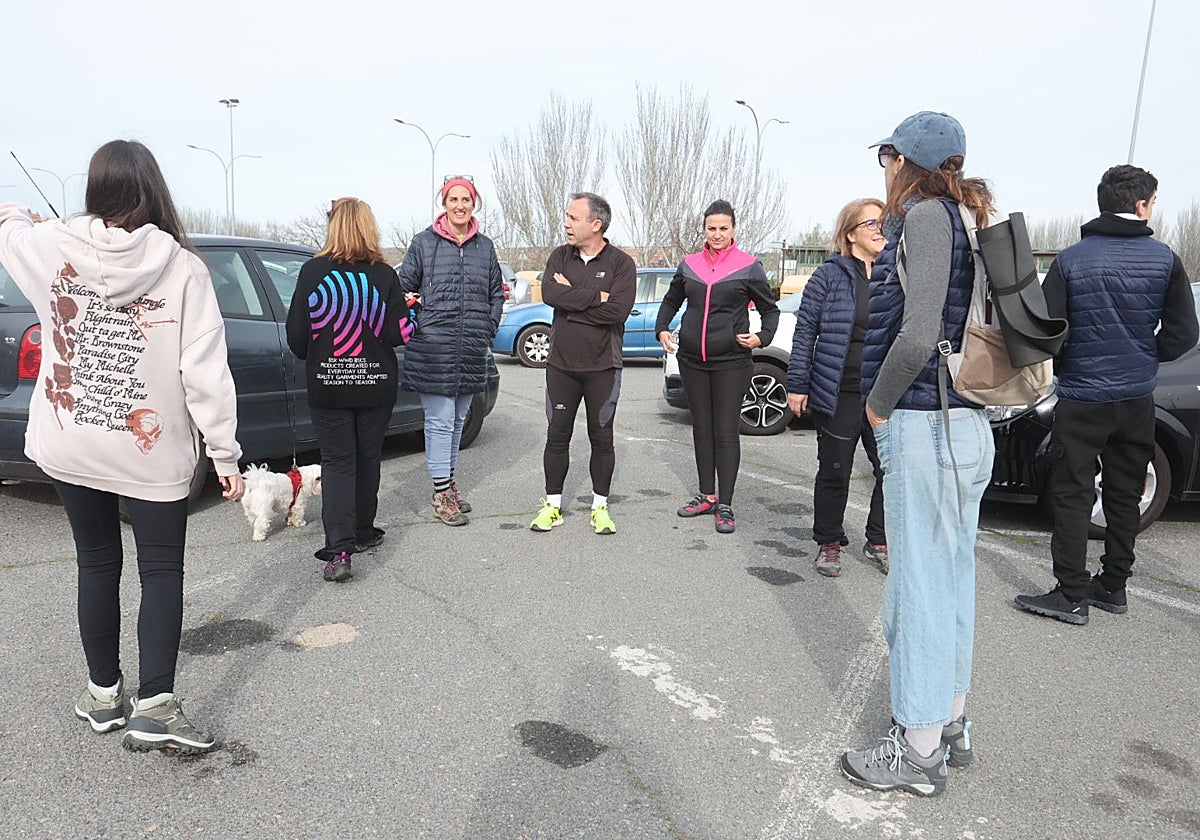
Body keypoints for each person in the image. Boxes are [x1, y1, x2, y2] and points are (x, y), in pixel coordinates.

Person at [0, 139, 244, 754]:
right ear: (153, 190)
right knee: (160, 570)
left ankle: (104, 695)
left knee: (96, 562)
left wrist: (27, 216)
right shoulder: (183, 268)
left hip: (71, 441)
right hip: (150, 451)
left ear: (95, 190)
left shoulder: (51, 247)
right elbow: (205, 373)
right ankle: (154, 705)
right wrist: (224, 454)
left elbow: (7, 225)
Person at [839, 112, 996, 797]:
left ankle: (919, 748)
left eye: (886, 154)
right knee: (951, 580)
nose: (883, 166)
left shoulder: (928, 216)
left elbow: (918, 330)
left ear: (905, 160)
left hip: (927, 422)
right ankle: (951, 723)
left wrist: (876, 404)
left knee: (920, 590)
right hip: (963, 424)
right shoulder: (969, 216)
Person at [1014, 165, 1197, 624]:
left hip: (1081, 395)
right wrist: (1142, 356)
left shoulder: (1071, 260)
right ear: (1141, 206)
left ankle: (1071, 593)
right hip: (1136, 396)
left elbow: (1049, 331)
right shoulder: (1166, 259)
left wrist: (1074, 360)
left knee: (1074, 492)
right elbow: (1183, 333)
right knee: (1124, 492)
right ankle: (1113, 586)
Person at [287, 197, 407, 581]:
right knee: (368, 458)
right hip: (375, 385)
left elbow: (297, 339)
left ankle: (339, 550)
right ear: (370, 227)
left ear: (333, 226)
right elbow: (399, 334)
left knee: (338, 462)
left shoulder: (311, 272)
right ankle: (364, 530)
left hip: (329, 386)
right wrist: (413, 315)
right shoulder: (385, 276)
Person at [656, 200, 779, 533]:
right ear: (704, 229)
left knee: (725, 432)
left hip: (732, 362)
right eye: (711, 228)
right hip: (693, 360)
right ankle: (706, 495)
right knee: (701, 430)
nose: (717, 234)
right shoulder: (690, 265)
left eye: (724, 228)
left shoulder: (749, 266)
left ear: (734, 229)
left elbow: (771, 311)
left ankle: (725, 504)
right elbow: (671, 300)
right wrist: (662, 328)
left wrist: (762, 338)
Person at [786, 198, 888, 575]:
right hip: (839, 389)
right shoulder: (828, 276)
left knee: (889, 470)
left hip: (885, 393)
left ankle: (879, 539)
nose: (880, 230)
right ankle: (829, 542)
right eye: (871, 224)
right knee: (835, 469)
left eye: (884, 224)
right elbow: (805, 332)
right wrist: (797, 384)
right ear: (850, 234)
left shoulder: (895, 274)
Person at [397, 177, 504, 526]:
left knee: (459, 419)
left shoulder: (485, 247)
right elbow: (402, 288)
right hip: (434, 347)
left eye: (466, 199)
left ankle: (448, 483)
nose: (460, 205)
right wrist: (418, 323)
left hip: (471, 346)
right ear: (443, 203)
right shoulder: (423, 243)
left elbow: (496, 294)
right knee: (440, 421)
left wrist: (487, 327)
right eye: (453, 199)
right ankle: (441, 493)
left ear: (475, 204)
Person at [530, 192, 636, 535]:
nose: (566, 223)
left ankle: (600, 507)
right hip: (561, 366)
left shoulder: (621, 264)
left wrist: (572, 298)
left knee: (601, 438)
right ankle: (552, 506)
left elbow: (617, 312)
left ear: (596, 223)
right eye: (567, 216)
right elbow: (550, 294)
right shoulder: (560, 256)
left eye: (573, 218)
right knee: (556, 435)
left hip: (603, 367)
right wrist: (594, 297)